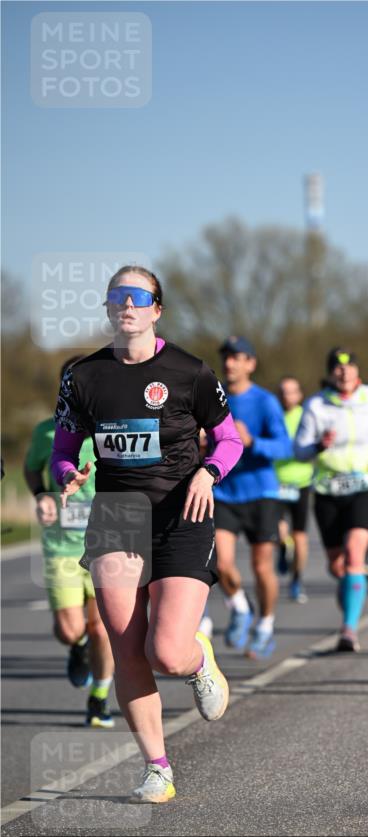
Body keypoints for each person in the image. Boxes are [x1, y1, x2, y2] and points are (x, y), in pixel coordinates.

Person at [51, 266, 243, 803]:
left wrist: (209, 472)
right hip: (116, 513)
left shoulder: (190, 371)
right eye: (117, 296)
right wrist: (69, 474)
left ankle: (197, 659)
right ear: (109, 308)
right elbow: (63, 450)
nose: (126, 305)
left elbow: (229, 439)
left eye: (138, 297)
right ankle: (157, 767)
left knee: (166, 651)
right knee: (126, 646)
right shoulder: (83, 378)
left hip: (183, 509)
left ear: (156, 309)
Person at [24, 357, 115, 728]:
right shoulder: (47, 432)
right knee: (71, 630)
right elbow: (32, 470)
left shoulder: (112, 431)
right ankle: (76, 649)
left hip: (105, 543)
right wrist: (42, 495)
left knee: (101, 628)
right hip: (62, 545)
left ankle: (99, 699)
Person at [294, 348, 368, 652]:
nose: (344, 373)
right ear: (330, 373)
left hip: (364, 485)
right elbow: (299, 450)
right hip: (328, 491)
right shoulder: (316, 405)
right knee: (338, 566)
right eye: (337, 368)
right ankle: (352, 593)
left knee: (355, 553)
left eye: (349, 367)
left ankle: (349, 629)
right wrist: (318, 445)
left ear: (356, 370)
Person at [212, 337, 291, 658]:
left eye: (237, 357)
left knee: (261, 567)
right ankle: (241, 607)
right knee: (220, 563)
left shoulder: (265, 402)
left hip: (261, 492)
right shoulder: (212, 399)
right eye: (226, 357)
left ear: (251, 364)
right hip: (224, 492)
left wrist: (253, 442)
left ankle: (265, 624)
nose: (230, 363)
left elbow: (285, 447)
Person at [274, 376, 314, 603]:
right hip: (276, 482)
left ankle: (297, 580)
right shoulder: (274, 416)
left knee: (301, 537)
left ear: (299, 395)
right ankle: (283, 546)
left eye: (291, 391)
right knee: (278, 529)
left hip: (301, 482)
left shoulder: (306, 416)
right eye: (283, 391)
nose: (287, 396)